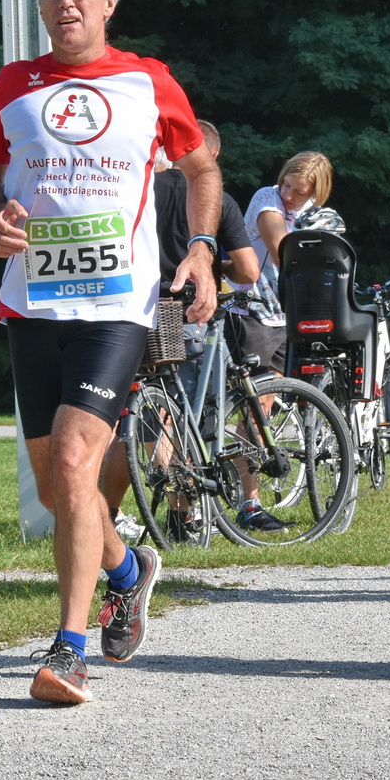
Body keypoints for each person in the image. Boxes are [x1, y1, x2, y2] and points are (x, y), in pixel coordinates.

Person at [0, 0, 221, 705]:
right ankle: (127, 569)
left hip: (118, 304)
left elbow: (200, 165)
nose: (65, 2)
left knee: (79, 467)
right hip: (32, 300)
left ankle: (68, 648)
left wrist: (203, 248)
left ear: (108, 0)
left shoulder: (148, 82)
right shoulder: (14, 84)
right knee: (56, 490)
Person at [104, 121, 261, 541]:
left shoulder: (135, 191)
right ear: (210, 158)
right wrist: (212, 264)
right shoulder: (215, 200)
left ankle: (106, 514)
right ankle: (180, 518)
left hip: (131, 313)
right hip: (188, 311)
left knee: (138, 422)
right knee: (190, 418)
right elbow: (249, 270)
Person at [231, 151, 334, 377]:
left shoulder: (313, 212)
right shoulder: (268, 197)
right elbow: (282, 254)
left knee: (272, 395)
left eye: (300, 192)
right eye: (286, 184)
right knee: (255, 391)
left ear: (315, 193)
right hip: (252, 309)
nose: (288, 195)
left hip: (288, 313)